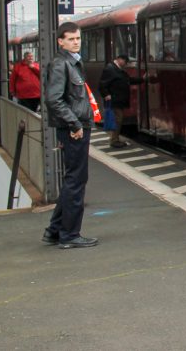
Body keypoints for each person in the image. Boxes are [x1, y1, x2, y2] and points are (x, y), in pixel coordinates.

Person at [43, 22, 98, 249]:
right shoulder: (61, 64)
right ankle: (70, 235)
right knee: (76, 180)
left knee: (73, 179)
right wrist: (75, 124)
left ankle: (54, 230)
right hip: (74, 129)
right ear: (60, 41)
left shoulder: (72, 62)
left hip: (76, 126)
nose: (76, 42)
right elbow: (53, 99)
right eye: (71, 39)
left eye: (78, 38)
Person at [99, 54, 143, 148]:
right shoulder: (110, 69)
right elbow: (102, 84)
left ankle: (115, 139)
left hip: (118, 99)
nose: (126, 64)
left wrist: (142, 79)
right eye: (125, 62)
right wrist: (106, 95)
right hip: (114, 99)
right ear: (119, 60)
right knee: (118, 119)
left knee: (118, 119)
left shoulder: (117, 69)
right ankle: (114, 140)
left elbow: (128, 80)